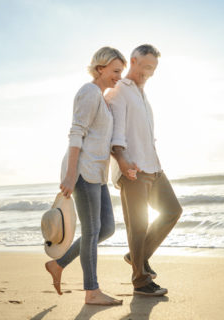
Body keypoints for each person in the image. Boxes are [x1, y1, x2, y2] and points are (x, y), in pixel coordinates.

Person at [45, 46, 126, 306]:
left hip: (97, 173)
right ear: (100, 68)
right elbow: (76, 133)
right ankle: (92, 292)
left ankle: (58, 264)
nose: (118, 77)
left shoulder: (103, 98)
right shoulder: (89, 92)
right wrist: (70, 175)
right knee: (92, 231)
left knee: (107, 228)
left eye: (121, 72)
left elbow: (100, 139)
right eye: (115, 71)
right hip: (82, 171)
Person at [106, 44, 183, 296]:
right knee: (137, 225)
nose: (148, 73)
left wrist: (157, 164)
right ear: (133, 61)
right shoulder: (119, 90)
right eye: (146, 67)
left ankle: (137, 257)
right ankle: (140, 281)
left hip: (153, 166)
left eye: (153, 69)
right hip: (133, 169)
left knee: (172, 210)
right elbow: (115, 132)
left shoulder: (142, 93)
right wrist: (122, 160)